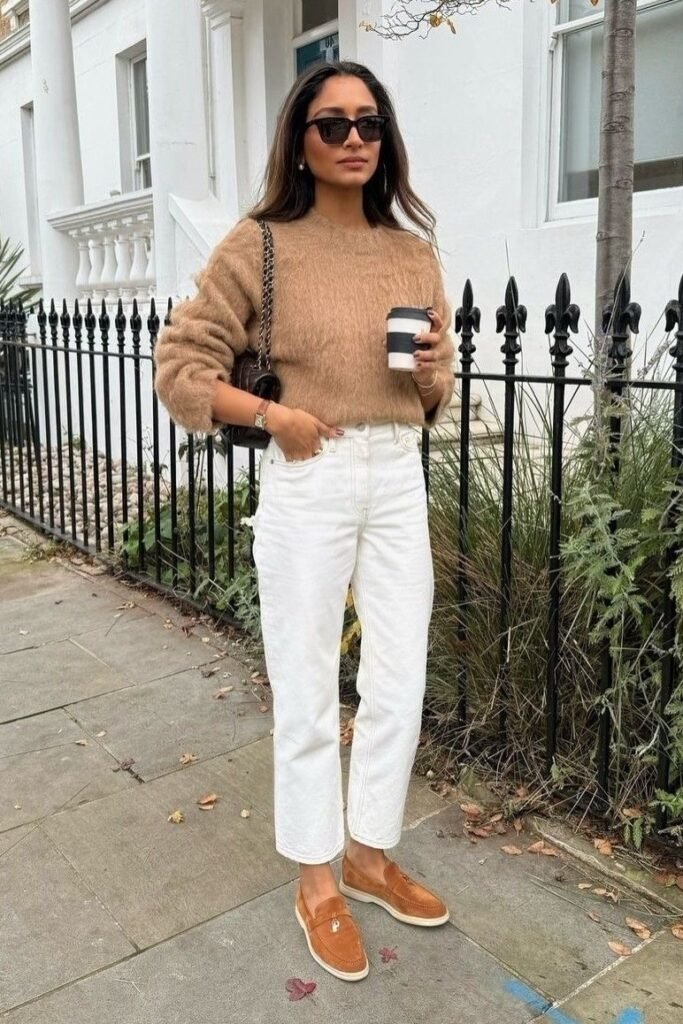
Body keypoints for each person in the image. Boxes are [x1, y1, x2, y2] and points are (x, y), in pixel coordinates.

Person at [154, 59, 456, 983]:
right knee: (306, 683)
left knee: (400, 679)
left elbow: (435, 396)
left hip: (396, 473)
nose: (355, 138)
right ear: (300, 138)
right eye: (333, 125)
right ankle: (315, 879)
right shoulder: (261, 244)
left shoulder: (411, 250)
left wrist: (438, 363)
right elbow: (180, 367)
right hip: (310, 473)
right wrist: (272, 417)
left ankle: (368, 852)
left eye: (369, 122)